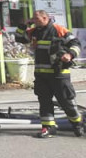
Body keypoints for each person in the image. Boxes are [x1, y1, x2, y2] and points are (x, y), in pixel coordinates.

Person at [14, 9, 84, 138]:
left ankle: (77, 124)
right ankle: (48, 127)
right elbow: (19, 38)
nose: (34, 21)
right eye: (33, 19)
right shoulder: (34, 32)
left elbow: (76, 44)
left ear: (45, 18)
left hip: (59, 74)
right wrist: (24, 25)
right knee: (44, 102)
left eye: (37, 19)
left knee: (66, 102)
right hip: (41, 75)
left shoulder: (59, 30)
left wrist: (70, 54)